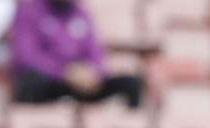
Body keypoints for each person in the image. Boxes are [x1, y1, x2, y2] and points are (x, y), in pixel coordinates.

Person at [9, 0, 144, 107]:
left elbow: (96, 53)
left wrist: (91, 72)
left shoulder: (82, 13)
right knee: (31, 82)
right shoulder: (29, 10)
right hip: (50, 81)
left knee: (132, 83)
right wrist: (64, 71)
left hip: (80, 82)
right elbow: (26, 57)